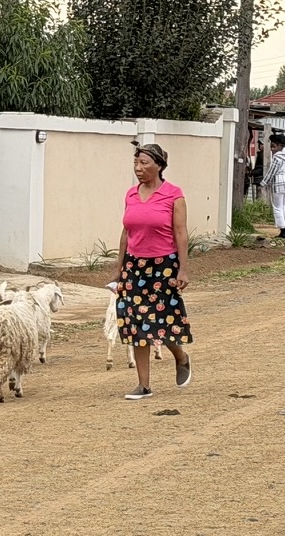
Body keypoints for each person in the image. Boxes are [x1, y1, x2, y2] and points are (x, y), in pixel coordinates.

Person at [111, 142, 192, 400]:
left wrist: (183, 270)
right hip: (135, 267)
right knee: (137, 323)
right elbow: (126, 234)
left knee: (161, 321)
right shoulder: (131, 195)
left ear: (159, 165)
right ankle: (144, 385)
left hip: (164, 267)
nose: (138, 168)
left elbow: (181, 233)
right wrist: (118, 269)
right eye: (136, 163)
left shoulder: (174, 195)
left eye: (144, 163)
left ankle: (180, 356)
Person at [260, 133, 285, 238]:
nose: (272, 149)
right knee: (284, 206)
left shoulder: (277, 157)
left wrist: (263, 183)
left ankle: (283, 229)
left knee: (277, 207)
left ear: (279, 145)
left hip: (278, 184)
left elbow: (271, 172)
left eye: (273, 146)